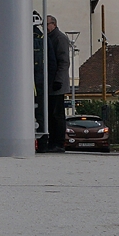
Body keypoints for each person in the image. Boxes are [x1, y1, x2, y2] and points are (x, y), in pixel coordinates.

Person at [43, 15, 72, 153]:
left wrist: (58, 81)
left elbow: (63, 61)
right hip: (51, 83)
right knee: (51, 114)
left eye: (46, 24)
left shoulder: (59, 38)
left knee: (57, 114)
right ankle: (53, 141)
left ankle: (58, 143)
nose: (44, 27)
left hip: (56, 84)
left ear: (53, 24)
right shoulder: (49, 38)